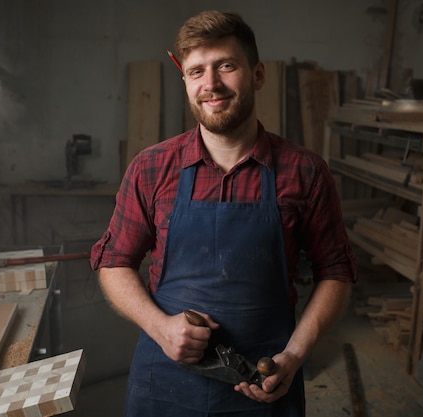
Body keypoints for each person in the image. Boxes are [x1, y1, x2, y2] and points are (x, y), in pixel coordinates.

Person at [90, 10, 357, 417]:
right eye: (196, 71)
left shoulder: (305, 171)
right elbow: (113, 263)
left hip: (265, 385)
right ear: (185, 82)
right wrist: (161, 328)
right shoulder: (150, 167)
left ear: (258, 74)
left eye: (226, 66)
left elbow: (335, 271)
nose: (210, 84)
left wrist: (296, 355)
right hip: (165, 383)